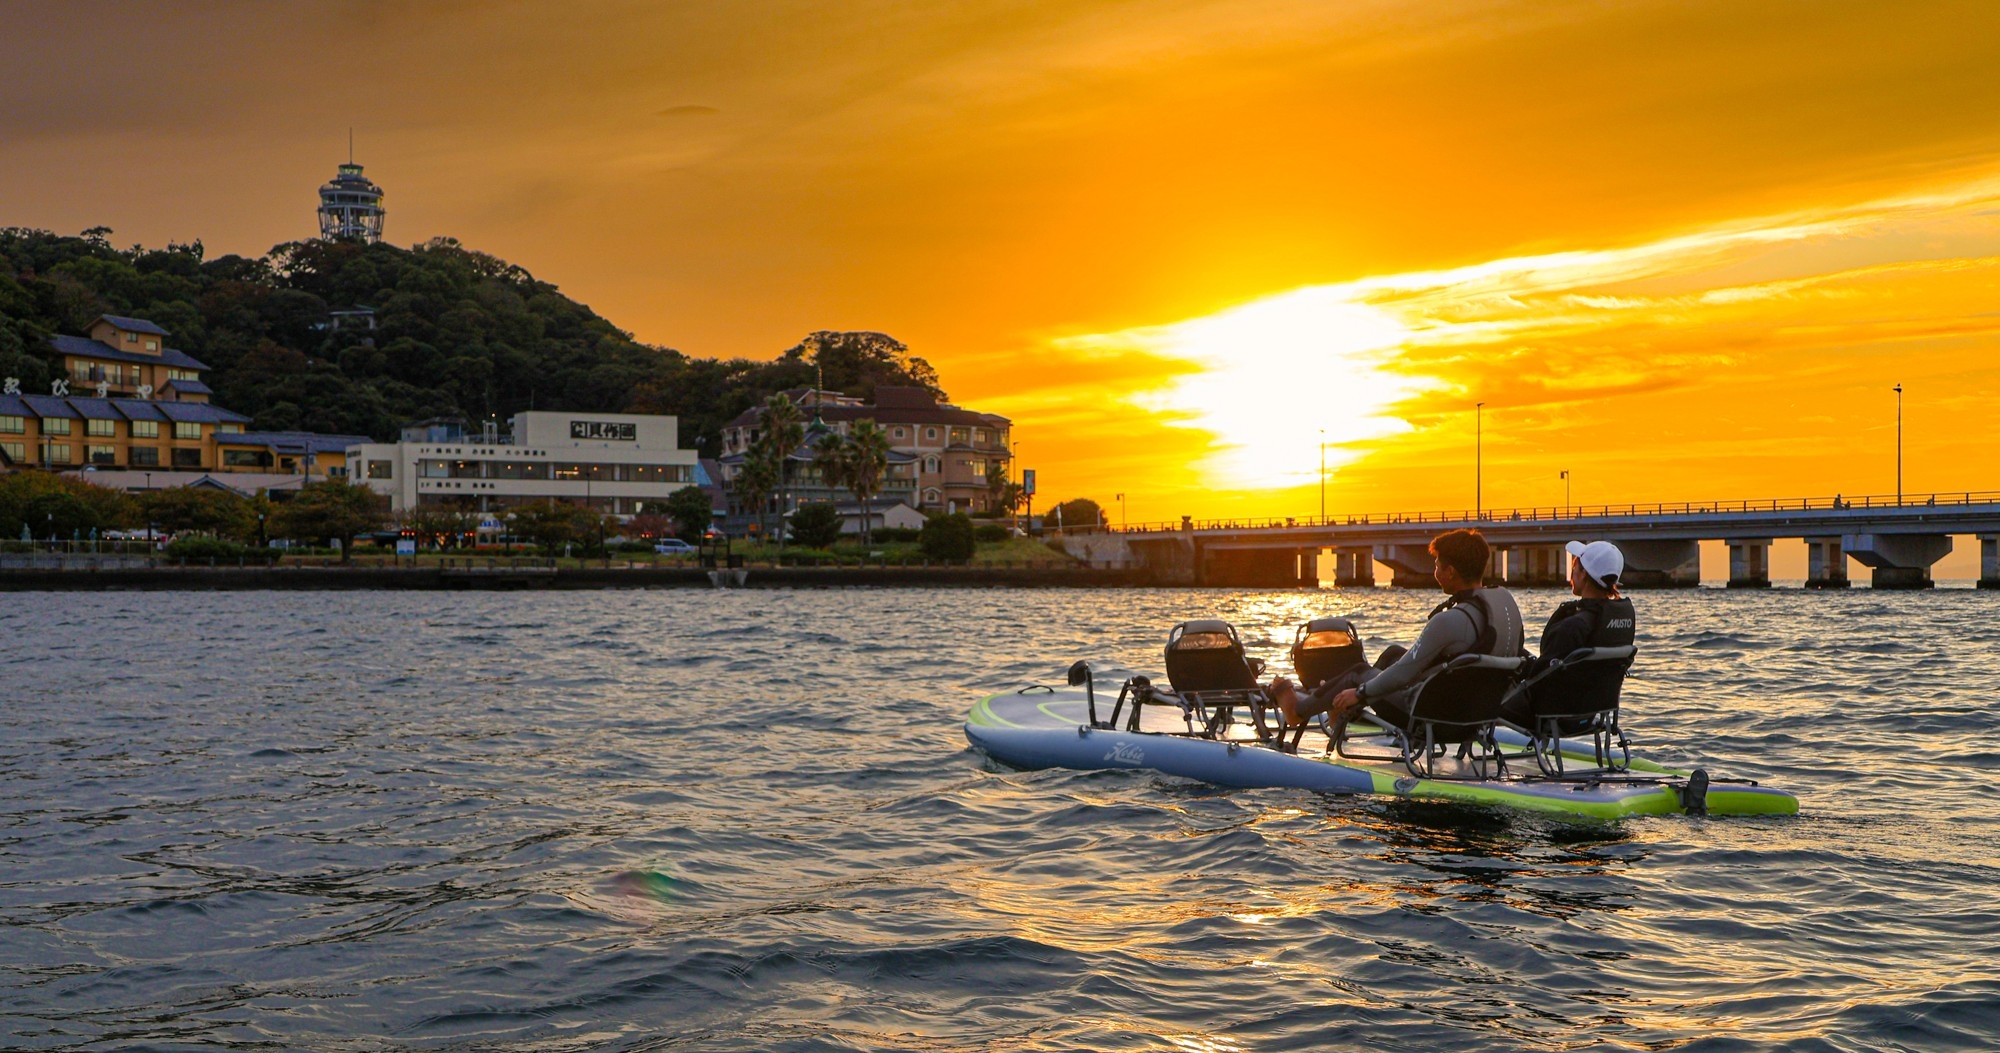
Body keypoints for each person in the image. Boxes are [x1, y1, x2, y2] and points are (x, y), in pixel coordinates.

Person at [1268, 528, 1524, 729]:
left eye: (1436, 565)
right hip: (1477, 710)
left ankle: (1296, 711)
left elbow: (1402, 675)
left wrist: (1360, 693)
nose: (1434, 570)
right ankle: (1335, 703)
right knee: (1392, 653)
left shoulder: (1449, 621)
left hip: (1434, 715)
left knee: (1358, 673)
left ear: (1450, 572)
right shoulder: (1506, 606)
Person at [1500, 540, 1636, 731]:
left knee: (1496, 675)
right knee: (1521, 655)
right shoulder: (1620, 620)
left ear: (1584, 575)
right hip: (1588, 713)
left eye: (1574, 567)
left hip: (1549, 715)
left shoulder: (1574, 626)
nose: (1571, 573)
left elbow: (1538, 679)